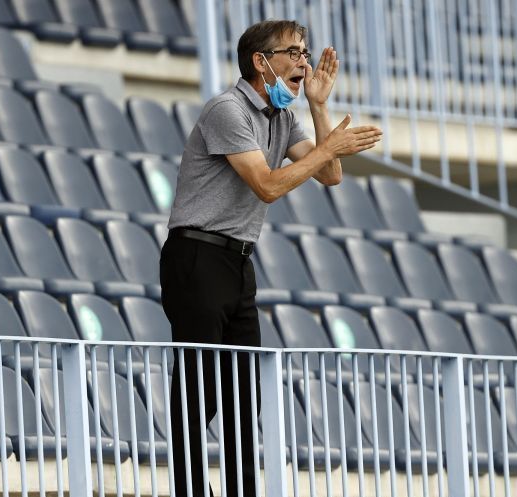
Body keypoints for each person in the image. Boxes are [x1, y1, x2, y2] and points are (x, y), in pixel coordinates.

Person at [160, 19, 382, 497]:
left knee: (242, 392)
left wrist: (321, 109)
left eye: (304, 52)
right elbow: (267, 184)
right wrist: (331, 147)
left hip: (239, 261)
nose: (304, 62)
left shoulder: (283, 118)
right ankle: (190, 489)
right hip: (197, 255)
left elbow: (332, 174)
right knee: (200, 388)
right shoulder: (228, 109)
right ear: (262, 62)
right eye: (293, 53)